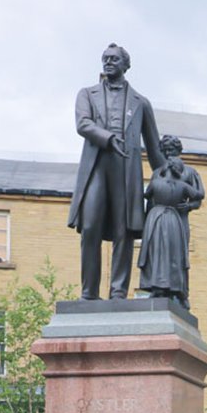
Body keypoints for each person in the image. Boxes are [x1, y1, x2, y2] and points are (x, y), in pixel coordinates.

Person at [67, 43, 164, 300]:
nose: (108, 63)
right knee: (90, 227)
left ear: (125, 65)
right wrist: (108, 138)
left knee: (124, 231)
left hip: (126, 170)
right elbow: (83, 124)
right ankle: (88, 293)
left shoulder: (141, 103)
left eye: (114, 59)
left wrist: (168, 175)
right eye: (105, 59)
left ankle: (118, 292)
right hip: (98, 165)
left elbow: (154, 148)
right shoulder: (87, 94)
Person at [137, 155, 204, 307]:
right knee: (172, 255)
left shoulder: (155, 182)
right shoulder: (182, 186)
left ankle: (161, 287)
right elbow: (200, 194)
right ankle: (170, 288)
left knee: (159, 253)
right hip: (174, 219)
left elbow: (145, 196)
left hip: (156, 218)